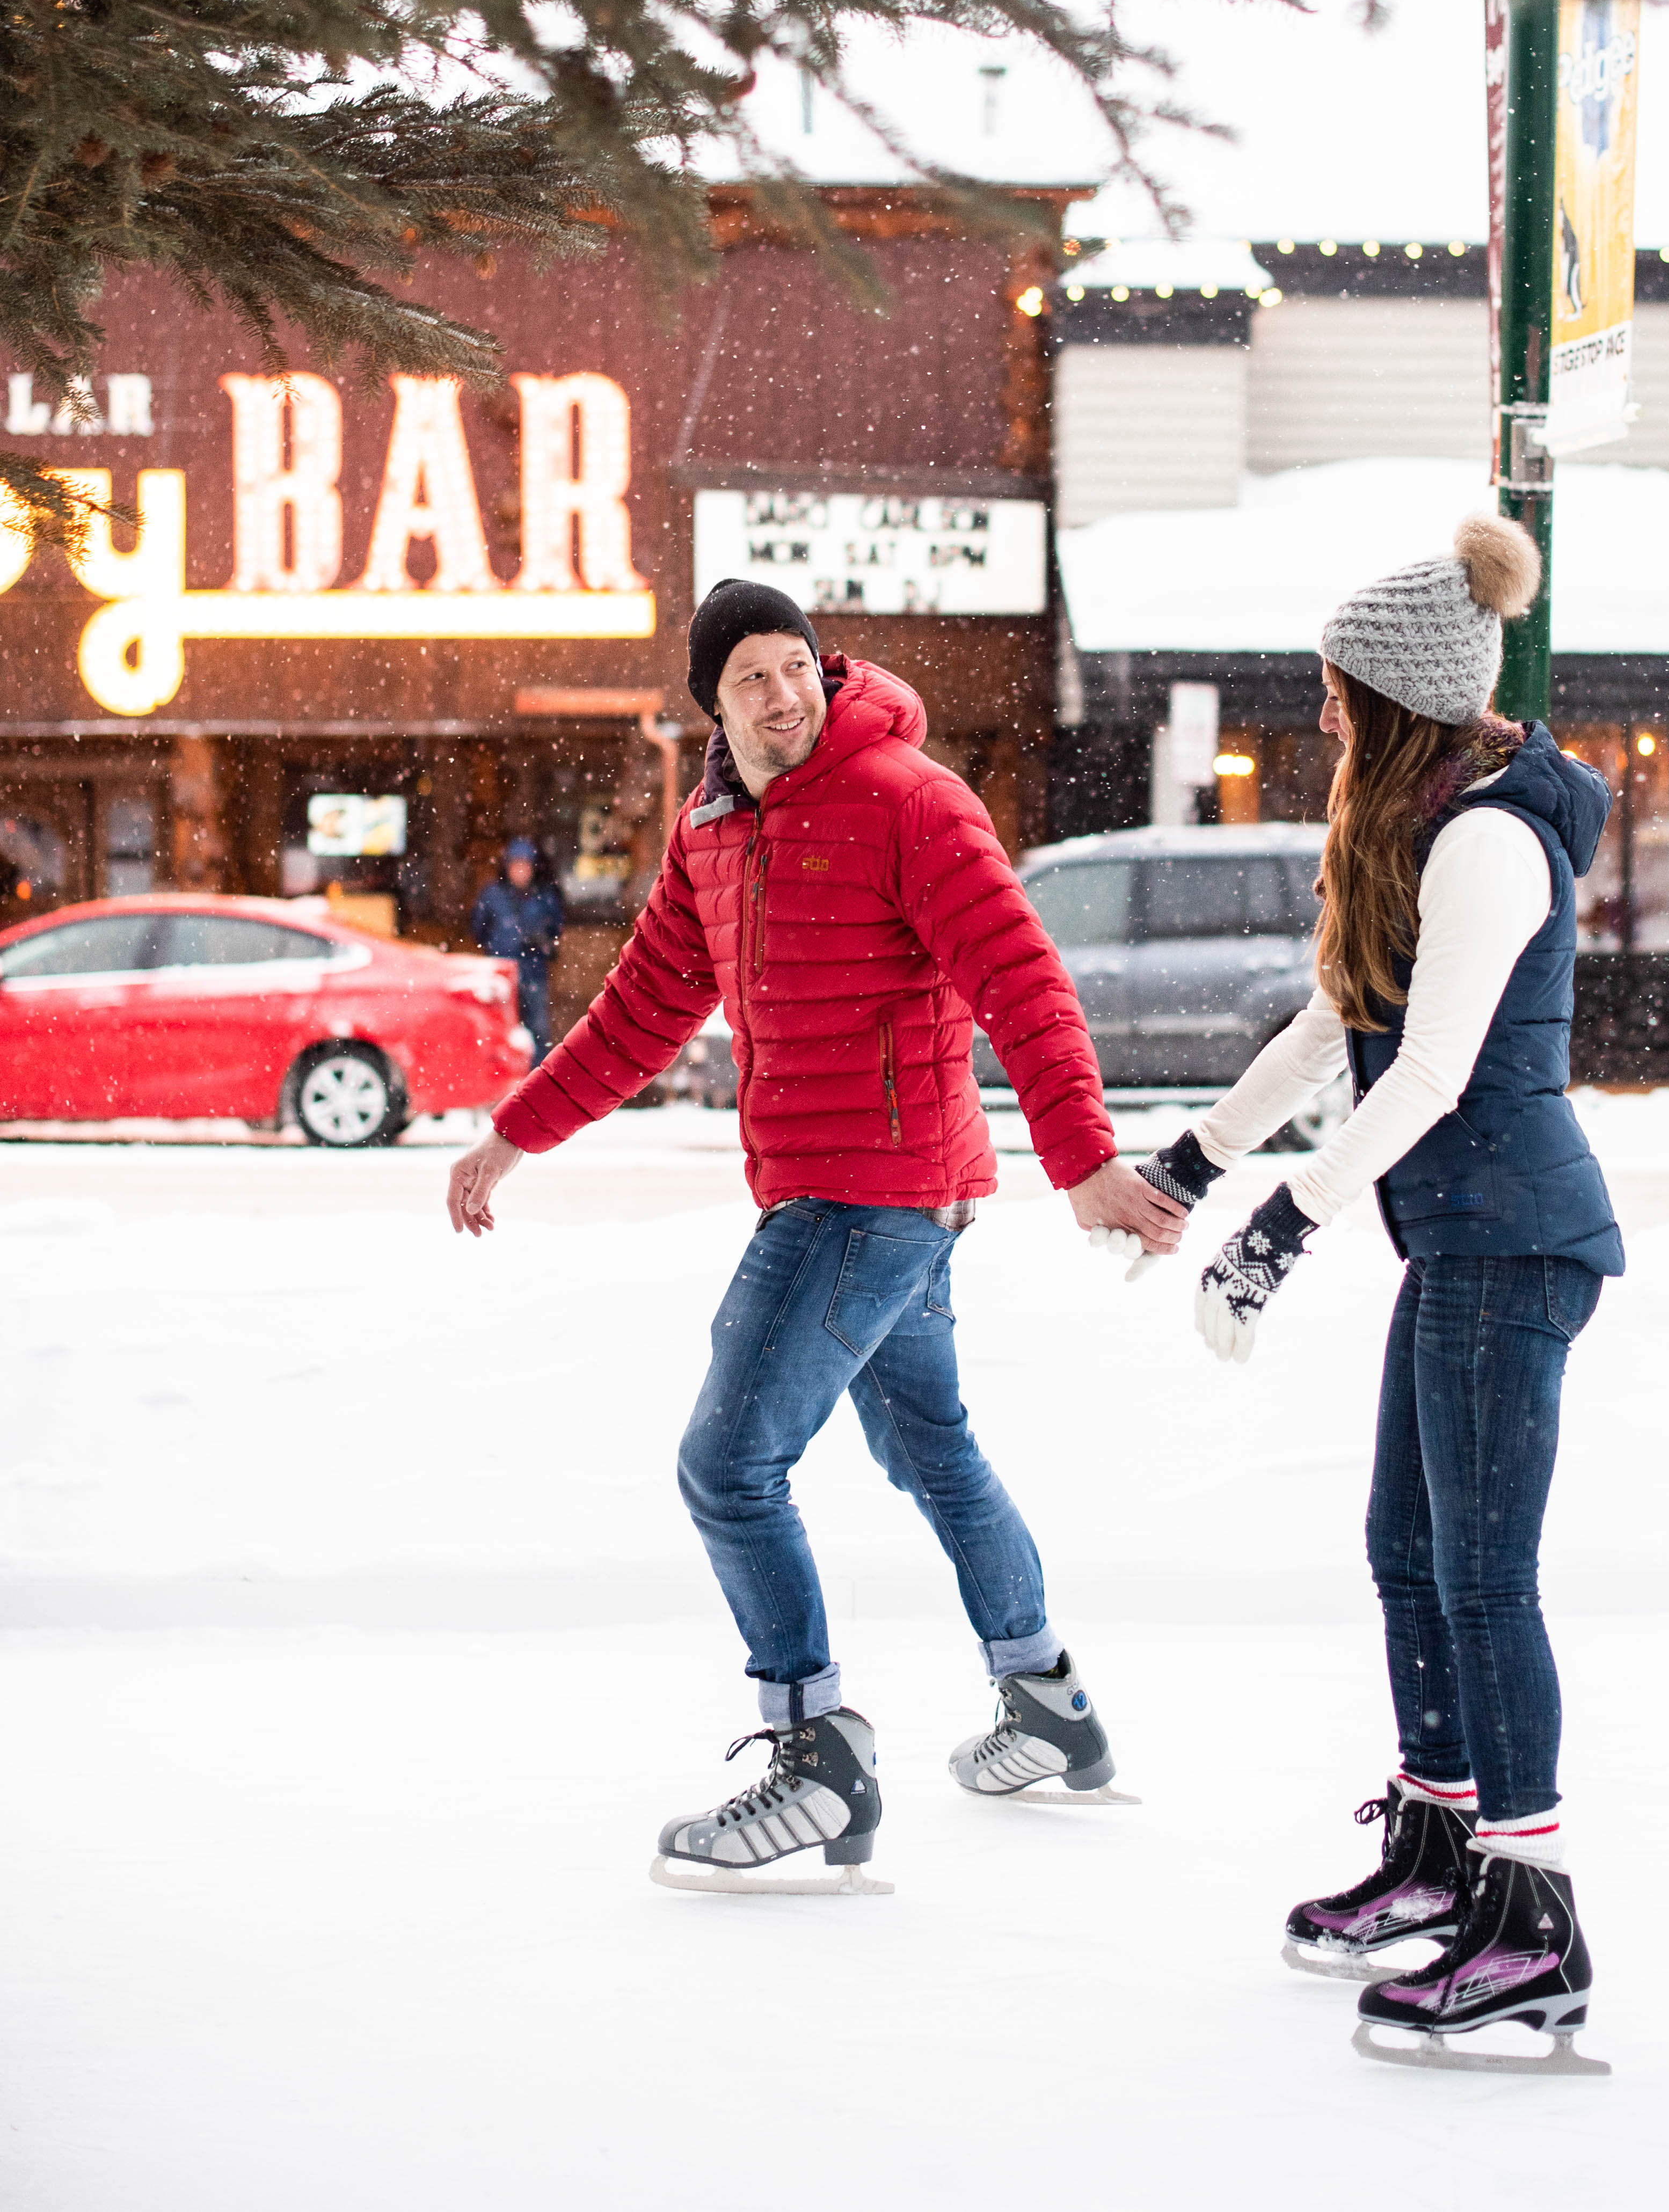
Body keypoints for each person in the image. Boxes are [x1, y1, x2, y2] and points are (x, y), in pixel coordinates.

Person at [446, 579, 1183, 1884]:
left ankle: (817, 1757)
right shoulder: (713, 833)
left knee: (728, 1463)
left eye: (794, 666)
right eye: (750, 679)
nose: (781, 694)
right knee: (929, 1448)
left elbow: (1020, 975)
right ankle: (1048, 1701)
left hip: (873, 1188)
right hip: (868, 1185)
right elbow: (640, 1012)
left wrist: (1079, 1156)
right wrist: (517, 1130)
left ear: (821, 671)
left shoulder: (906, 796)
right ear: (714, 708)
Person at [1100, 515, 1623, 2068]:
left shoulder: (1483, 839)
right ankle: (1438, 1845)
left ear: (1392, 696)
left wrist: (1285, 1220)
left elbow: (1438, 1070)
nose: (1316, 711)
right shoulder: (1420, 820)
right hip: (1458, 1242)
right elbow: (1334, 1025)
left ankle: (1529, 1917)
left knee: (1481, 1576)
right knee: (1408, 1548)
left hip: (1511, 1237)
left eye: (1333, 689)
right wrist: (1194, 1161)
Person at [470, 839, 566, 1064]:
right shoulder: (492, 895)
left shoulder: (544, 896)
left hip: (534, 972)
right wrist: (498, 949)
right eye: (516, 866)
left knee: (538, 1029)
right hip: (502, 974)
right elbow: (478, 929)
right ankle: (502, 1080)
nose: (521, 871)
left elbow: (556, 929)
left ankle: (537, 1081)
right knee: (499, 1028)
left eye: (526, 866)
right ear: (507, 867)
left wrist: (541, 940)